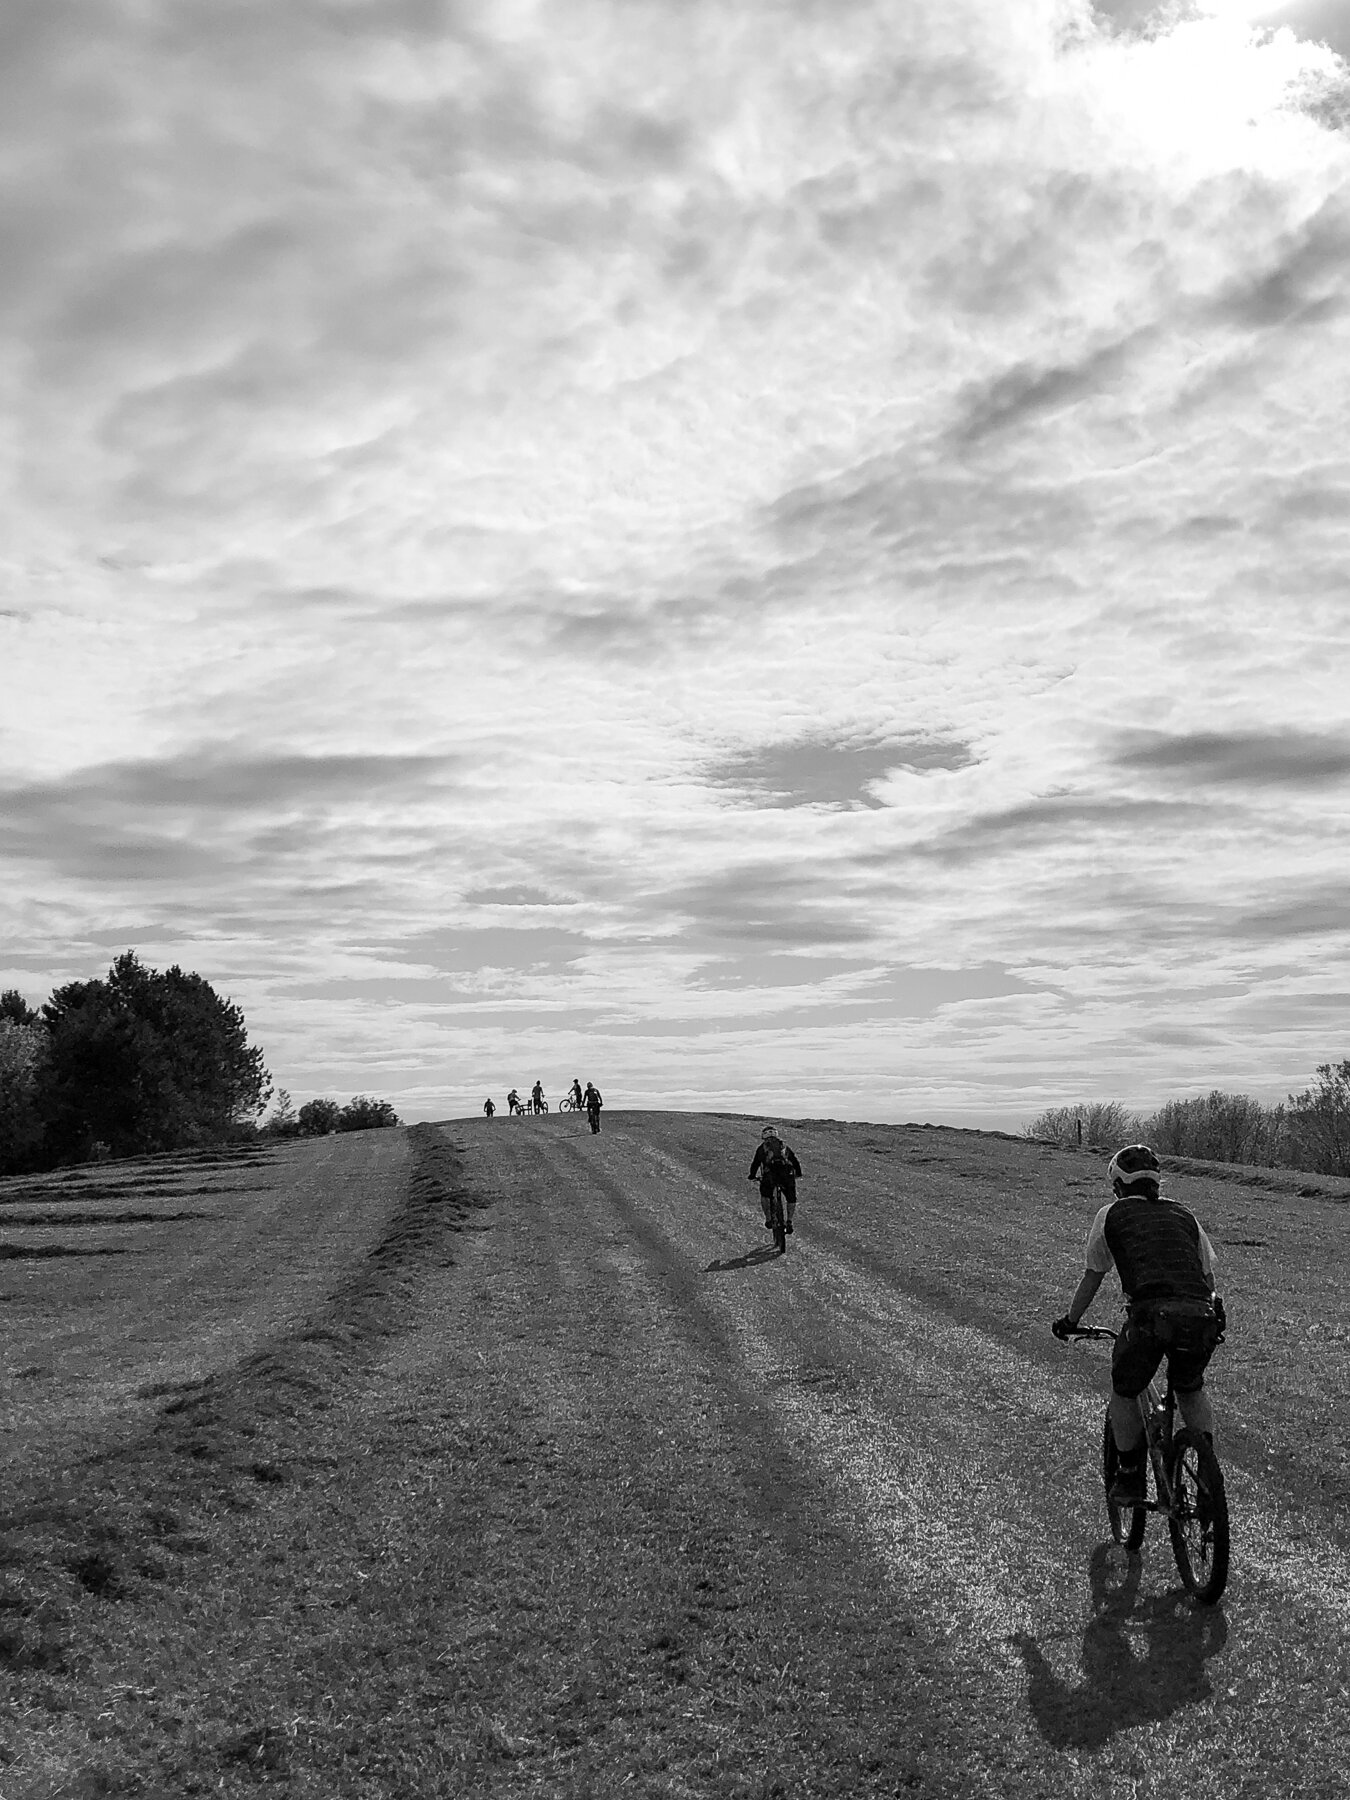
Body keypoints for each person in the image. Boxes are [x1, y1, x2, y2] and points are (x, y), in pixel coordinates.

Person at [1053, 1143, 1225, 1504]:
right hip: (1200, 1316)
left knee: (1125, 1389)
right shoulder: (1184, 1215)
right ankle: (1206, 1470)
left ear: (1117, 1184)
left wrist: (1071, 1321)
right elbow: (1207, 1278)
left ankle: (1130, 1475)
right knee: (1190, 1388)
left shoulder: (1111, 1215)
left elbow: (1093, 1276)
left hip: (1150, 1317)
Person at [749, 1124, 803, 1233]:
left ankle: (769, 1219)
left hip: (770, 1177)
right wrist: (798, 1173)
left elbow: (755, 1164)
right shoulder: (784, 1146)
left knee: (765, 1196)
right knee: (791, 1198)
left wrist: (752, 1176)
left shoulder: (762, 1148)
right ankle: (789, 1220)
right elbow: (794, 1160)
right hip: (787, 1175)